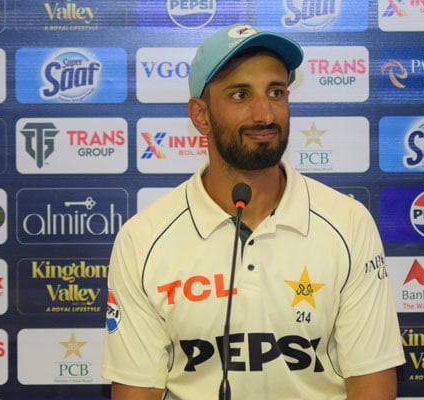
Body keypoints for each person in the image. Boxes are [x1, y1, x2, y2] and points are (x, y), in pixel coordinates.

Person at [102, 23, 405, 400]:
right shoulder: (143, 238)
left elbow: (372, 388)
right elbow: (136, 392)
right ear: (201, 115)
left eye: (276, 92)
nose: (264, 114)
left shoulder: (347, 222)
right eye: (240, 94)